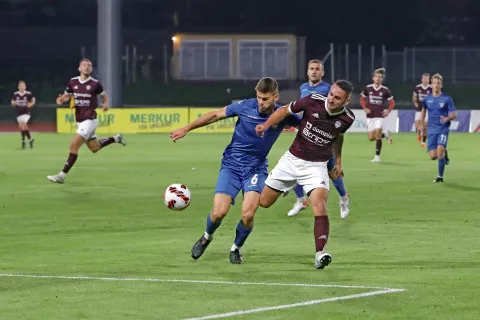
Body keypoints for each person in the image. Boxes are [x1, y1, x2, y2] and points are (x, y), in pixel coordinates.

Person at [169, 77, 300, 264]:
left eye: (265, 99)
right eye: (259, 97)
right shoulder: (245, 106)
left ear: (275, 97)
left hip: (256, 169)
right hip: (231, 166)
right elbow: (215, 115)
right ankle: (207, 236)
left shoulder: (283, 115)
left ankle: (236, 248)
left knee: (248, 215)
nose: (261, 103)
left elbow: (308, 130)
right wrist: (186, 128)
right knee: (218, 213)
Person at [256, 80, 355, 270]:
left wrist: (339, 162)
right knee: (264, 202)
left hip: (316, 166)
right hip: (292, 159)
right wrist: (266, 125)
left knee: (320, 205)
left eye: (337, 98)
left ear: (347, 100)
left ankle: (320, 253)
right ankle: (286, 182)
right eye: (331, 94)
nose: (332, 99)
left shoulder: (347, 118)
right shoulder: (312, 100)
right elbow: (284, 110)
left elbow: (338, 137)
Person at [288, 59, 350, 219]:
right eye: (311, 69)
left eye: (317, 69)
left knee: (332, 171)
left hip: (321, 138)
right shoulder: (303, 88)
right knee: (294, 167)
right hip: (304, 134)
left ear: (322, 72)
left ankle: (344, 198)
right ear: (307, 72)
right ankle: (301, 200)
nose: (314, 71)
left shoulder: (328, 89)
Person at [47, 59, 126, 184]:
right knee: (95, 147)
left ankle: (61, 176)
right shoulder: (73, 82)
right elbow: (67, 95)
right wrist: (61, 99)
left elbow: (104, 96)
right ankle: (116, 139)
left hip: (89, 120)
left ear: (91, 69)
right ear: (79, 68)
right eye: (84, 65)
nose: (87, 67)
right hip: (80, 120)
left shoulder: (95, 84)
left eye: (89, 65)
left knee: (73, 146)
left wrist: (105, 104)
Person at [419, 73, 455, 183]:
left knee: (439, 151)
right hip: (431, 130)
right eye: (434, 83)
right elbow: (423, 110)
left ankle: (440, 177)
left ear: (441, 85)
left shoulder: (447, 99)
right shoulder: (427, 99)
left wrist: (447, 118)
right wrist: (421, 124)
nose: (436, 85)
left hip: (443, 129)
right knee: (433, 156)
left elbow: (453, 114)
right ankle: (445, 152)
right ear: (431, 84)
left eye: (438, 83)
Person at [360, 68, 395, 163]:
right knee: (371, 137)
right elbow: (362, 99)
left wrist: (388, 111)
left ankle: (377, 156)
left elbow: (392, 102)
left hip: (380, 116)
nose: (378, 79)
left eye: (380, 77)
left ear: (382, 79)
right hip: (370, 116)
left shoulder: (385, 90)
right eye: (377, 77)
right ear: (373, 78)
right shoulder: (368, 88)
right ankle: (386, 134)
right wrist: (365, 108)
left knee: (378, 134)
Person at [11, 80, 36, 149]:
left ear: (25, 87)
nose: (22, 87)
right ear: (18, 87)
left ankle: (23, 141)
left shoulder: (28, 94)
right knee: (23, 127)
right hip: (19, 113)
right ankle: (30, 139)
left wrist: (31, 104)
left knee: (22, 124)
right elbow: (12, 102)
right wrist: (14, 103)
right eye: (20, 86)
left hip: (26, 113)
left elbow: (33, 100)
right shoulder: (15, 94)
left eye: (23, 86)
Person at [413, 73, 431, 147]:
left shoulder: (431, 88)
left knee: (425, 125)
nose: (425, 80)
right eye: (424, 78)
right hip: (419, 110)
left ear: (429, 80)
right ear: (422, 79)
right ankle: (419, 134)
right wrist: (415, 103)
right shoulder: (417, 88)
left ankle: (423, 141)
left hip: (428, 110)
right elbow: (414, 97)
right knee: (417, 127)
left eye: (427, 79)